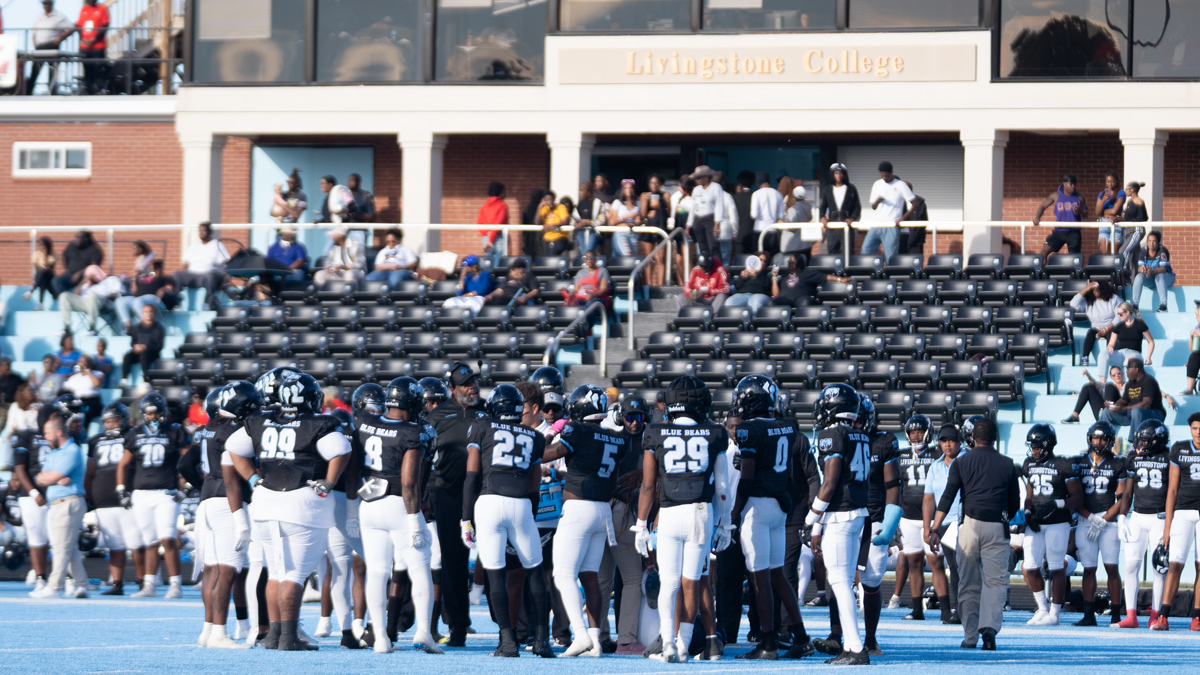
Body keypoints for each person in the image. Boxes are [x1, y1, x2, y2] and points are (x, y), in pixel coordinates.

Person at [227, 371, 351, 650]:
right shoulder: (319, 424)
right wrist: (329, 482)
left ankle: (274, 634)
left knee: (276, 573)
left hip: (266, 502)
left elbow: (234, 447)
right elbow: (341, 450)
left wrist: (252, 477)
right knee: (294, 575)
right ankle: (289, 636)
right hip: (303, 505)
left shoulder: (261, 420)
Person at [635, 376, 732, 663]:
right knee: (692, 583)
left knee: (669, 584)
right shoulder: (715, 433)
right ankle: (683, 646)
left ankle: (667, 644)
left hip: (669, 514)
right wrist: (725, 523)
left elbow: (648, 486)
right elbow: (723, 489)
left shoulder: (656, 433)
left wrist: (641, 525)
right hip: (700, 515)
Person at [460, 385, 555, 658]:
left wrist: (466, 518)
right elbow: (535, 484)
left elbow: (471, 476)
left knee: (495, 572)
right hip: (521, 503)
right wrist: (530, 516)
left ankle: (507, 642)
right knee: (535, 570)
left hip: (489, 502)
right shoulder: (535, 437)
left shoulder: (482, 427)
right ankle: (542, 641)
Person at [539, 385, 629, 657]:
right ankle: (595, 639)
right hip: (602, 511)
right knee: (589, 576)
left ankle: (580, 635)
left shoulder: (577, 431)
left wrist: (552, 432)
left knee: (563, 574)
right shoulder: (616, 438)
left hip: (578, 509)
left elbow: (546, 454)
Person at [355, 378, 442, 654]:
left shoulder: (363, 422)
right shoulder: (412, 431)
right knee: (420, 567)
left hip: (368, 504)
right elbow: (408, 483)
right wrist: (415, 520)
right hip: (397, 505)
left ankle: (380, 637)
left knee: (378, 572)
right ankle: (424, 633)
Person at [728, 375, 813, 659]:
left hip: (757, 507)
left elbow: (748, 479)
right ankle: (801, 637)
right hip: (779, 506)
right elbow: (787, 474)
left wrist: (735, 513)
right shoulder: (787, 427)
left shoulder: (749, 429)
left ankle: (767, 642)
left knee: (759, 578)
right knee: (778, 575)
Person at [929, 417, 1020, 651]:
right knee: (995, 583)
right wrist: (1001, 520)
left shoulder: (961, 462)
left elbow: (948, 497)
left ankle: (970, 636)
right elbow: (1014, 504)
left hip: (968, 526)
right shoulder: (1008, 464)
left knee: (968, 584)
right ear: (995, 438)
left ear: (971, 438)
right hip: (996, 526)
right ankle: (989, 629)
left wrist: (934, 529)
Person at [186, 383, 259, 648]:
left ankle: (208, 630)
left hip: (207, 499)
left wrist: (205, 485)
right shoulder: (236, 431)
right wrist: (239, 515)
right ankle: (219, 632)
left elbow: (185, 464)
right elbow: (232, 477)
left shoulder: (206, 428)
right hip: (229, 501)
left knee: (212, 570)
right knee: (227, 570)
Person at [804, 384, 872, 665]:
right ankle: (852, 645)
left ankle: (855, 648)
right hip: (857, 512)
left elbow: (830, 482)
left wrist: (811, 519)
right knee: (842, 581)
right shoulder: (861, 434)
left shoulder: (832, 434)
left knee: (840, 582)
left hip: (841, 514)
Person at [426, 362, 482, 647]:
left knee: (502, 562)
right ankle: (458, 626)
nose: (473, 387)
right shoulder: (436, 417)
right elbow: (424, 458)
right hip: (448, 497)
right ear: (452, 389)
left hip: (486, 496)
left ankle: (515, 628)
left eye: (475, 382)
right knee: (454, 564)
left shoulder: (488, 412)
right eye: (466, 384)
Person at [118, 392, 190, 599]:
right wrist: (121, 489)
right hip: (141, 494)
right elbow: (124, 464)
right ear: (143, 414)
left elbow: (188, 459)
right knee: (149, 541)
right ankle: (149, 584)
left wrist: (186, 486)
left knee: (167, 539)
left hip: (166, 493)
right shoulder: (135, 433)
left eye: (157, 413)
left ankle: (175, 584)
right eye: (150, 413)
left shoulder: (174, 431)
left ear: (164, 413)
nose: (154, 417)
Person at [1018, 424, 1084, 626]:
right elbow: (1029, 494)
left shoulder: (1064, 465)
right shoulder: (1029, 464)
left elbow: (1078, 498)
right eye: (1032, 447)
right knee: (1029, 566)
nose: (1033, 451)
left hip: (1057, 523)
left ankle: (1055, 613)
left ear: (1047, 445)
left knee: (1056, 567)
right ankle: (1042, 608)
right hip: (1036, 523)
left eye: (1037, 447)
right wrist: (1028, 512)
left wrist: (1058, 503)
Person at [1069, 421, 1127, 627]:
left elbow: (1122, 498)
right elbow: (1073, 496)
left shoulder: (1118, 463)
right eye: (1095, 437)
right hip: (1086, 519)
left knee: (1112, 567)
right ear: (1089, 438)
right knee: (1089, 568)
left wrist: (1102, 519)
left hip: (1108, 520)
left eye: (1103, 438)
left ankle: (1116, 615)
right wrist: (1090, 517)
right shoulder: (1078, 462)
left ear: (1110, 440)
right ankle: (1088, 614)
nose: (1099, 441)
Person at [1115, 419, 1171, 628]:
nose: (1141, 445)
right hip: (1137, 516)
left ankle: (1155, 615)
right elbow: (1128, 491)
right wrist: (1122, 517)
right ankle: (1131, 616)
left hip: (1160, 517)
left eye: (1146, 441)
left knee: (1159, 569)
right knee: (1130, 565)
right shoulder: (1133, 457)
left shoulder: (1168, 457)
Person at [86, 403, 145, 597]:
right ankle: (117, 583)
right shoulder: (95, 441)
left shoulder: (133, 435)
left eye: (114, 420)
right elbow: (90, 472)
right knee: (114, 545)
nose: (111, 425)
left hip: (127, 497)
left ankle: (143, 582)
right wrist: (89, 497)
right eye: (108, 421)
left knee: (136, 542)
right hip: (103, 498)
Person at [27, 415, 88, 599]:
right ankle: (82, 584)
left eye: (47, 433)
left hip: (68, 502)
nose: (45, 437)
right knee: (69, 547)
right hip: (56, 504)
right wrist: (52, 478)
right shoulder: (54, 452)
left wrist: (51, 478)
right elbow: (40, 477)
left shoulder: (72, 450)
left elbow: (48, 477)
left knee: (61, 547)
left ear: (58, 432)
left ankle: (55, 587)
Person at [896, 415, 951, 622]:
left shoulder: (938, 454)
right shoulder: (900, 455)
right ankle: (917, 609)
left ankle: (945, 610)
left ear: (928, 433)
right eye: (912, 432)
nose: (916, 435)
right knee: (914, 563)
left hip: (932, 518)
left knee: (936, 563)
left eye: (919, 431)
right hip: (908, 517)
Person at [1157, 413, 1200, 630]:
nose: (1199, 432)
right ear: (1190, 430)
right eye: (1195, 428)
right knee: (1175, 564)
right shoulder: (1180, 448)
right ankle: (1163, 616)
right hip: (1183, 511)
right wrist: (1167, 526)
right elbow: (1172, 489)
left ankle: (1197, 616)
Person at [922, 423, 968, 624]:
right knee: (943, 566)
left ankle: (960, 610)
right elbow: (929, 498)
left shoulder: (968, 459)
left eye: (951, 440)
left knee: (958, 568)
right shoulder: (935, 465)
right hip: (942, 522)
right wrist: (927, 526)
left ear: (960, 441)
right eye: (943, 440)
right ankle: (946, 611)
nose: (947, 445)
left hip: (961, 522)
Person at [13, 406, 56, 592]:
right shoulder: (25, 435)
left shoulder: (58, 434)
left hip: (55, 493)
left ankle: (66, 577)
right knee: (37, 538)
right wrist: (33, 492)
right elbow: (20, 469)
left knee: (59, 538)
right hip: (31, 495)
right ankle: (40, 577)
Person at [1101, 356, 1172, 441]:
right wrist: (1114, 405)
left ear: (1136, 369)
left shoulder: (1149, 381)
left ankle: (1135, 443)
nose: (1126, 372)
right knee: (1106, 412)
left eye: (1128, 369)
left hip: (1154, 414)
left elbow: (1146, 404)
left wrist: (1124, 408)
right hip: (1135, 415)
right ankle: (1103, 440)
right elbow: (1124, 400)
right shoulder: (1130, 383)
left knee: (1136, 410)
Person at [862, 162, 922, 260]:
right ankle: (867, 273)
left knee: (891, 255)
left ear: (891, 173)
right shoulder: (877, 184)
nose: (884, 178)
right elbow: (873, 206)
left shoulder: (900, 185)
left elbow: (915, 204)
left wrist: (902, 218)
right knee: (866, 249)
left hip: (891, 225)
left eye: (886, 175)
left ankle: (890, 273)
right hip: (876, 225)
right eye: (882, 175)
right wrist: (877, 201)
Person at [175, 222, 230, 310]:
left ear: (210, 232)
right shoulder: (194, 246)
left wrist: (224, 279)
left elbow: (226, 264)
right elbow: (185, 263)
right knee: (177, 275)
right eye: (200, 231)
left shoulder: (217, 244)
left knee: (210, 275)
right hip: (194, 276)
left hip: (209, 276)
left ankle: (207, 304)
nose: (201, 233)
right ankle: (176, 303)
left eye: (204, 231)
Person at [1033, 174, 1089, 261]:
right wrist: (1037, 217)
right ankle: (1041, 273)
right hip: (1059, 232)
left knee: (1075, 259)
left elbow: (1086, 214)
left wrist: (1080, 211)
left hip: (1074, 233)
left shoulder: (1080, 197)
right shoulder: (1056, 195)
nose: (1073, 186)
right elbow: (1042, 207)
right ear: (1064, 184)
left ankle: (1075, 274)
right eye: (1071, 184)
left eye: (1074, 184)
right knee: (1043, 251)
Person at [25, 0, 75, 95]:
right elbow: (34, 31)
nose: (45, 5)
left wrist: (60, 38)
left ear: (52, 3)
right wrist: (35, 42)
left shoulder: (59, 16)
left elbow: (71, 28)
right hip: (40, 47)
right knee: (35, 71)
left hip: (52, 46)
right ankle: (27, 92)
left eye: (47, 3)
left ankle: (52, 92)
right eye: (44, 3)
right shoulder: (39, 16)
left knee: (52, 71)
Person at [1070, 280, 1119, 372]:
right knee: (1090, 333)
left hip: (1111, 328)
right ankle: (1084, 358)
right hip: (1096, 329)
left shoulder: (1114, 299)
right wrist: (1086, 289)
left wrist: (1106, 329)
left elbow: (1119, 317)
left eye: (1097, 289)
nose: (1095, 291)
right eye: (1093, 289)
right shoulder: (1088, 301)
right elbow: (1073, 304)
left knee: (1111, 334)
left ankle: (1109, 358)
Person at [115, 259, 176, 333]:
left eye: (159, 267)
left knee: (138, 301)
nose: (157, 269)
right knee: (120, 301)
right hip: (138, 298)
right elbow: (134, 291)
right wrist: (135, 277)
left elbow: (171, 288)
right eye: (155, 267)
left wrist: (163, 289)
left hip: (155, 299)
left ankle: (146, 326)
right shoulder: (143, 277)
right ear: (151, 267)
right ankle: (129, 327)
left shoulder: (165, 278)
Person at [57, 265, 120, 335]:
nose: (91, 278)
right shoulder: (86, 285)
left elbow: (117, 294)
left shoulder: (110, 280)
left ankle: (92, 327)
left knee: (92, 294)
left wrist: (104, 296)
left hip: (102, 303)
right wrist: (84, 281)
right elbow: (75, 294)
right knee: (64, 296)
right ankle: (67, 328)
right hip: (86, 303)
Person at [771, 254, 851, 308]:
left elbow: (825, 276)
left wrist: (839, 279)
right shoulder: (784, 276)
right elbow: (776, 295)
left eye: (792, 263)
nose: (789, 264)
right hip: (785, 299)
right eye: (789, 262)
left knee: (805, 302)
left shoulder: (807, 273)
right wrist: (774, 278)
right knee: (774, 302)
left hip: (801, 298)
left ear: (798, 264)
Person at [819, 164, 861, 256]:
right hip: (832, 227)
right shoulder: (827, 189)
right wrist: (822, 217)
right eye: (836, 173)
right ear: (832, 175)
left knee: (848, 253)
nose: (838, 175)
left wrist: (852, 218)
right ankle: (834, 270)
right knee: (832, 252)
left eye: (841, 173)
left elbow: (857, 207)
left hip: (846, 226)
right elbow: (823, 206)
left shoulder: (851, 189)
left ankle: (847, 270)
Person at [687, 166, 725, 261]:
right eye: (696, 178)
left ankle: (718, 270)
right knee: (702, 248)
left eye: (699, 178)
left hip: (710, 219)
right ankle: (706, 270)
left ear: (707, 177)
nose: (697, 180)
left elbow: (719, 205)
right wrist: (688, 225)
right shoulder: (696, 190)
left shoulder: (716, 187)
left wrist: (717, 223)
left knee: (713, 247)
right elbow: (693, 208)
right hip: (698, 219)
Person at [121, 304, 165, 386]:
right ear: (142, 313)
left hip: (152, 354)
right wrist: (135, 347)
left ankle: (146, 379)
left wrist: (147, 347)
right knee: (127, 356)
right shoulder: (137, 327)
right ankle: (124, 379)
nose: (148, 314)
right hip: (138, 352)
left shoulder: (159, 328)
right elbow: (133, 341)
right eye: (146, 312)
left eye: (151, 311)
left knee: (144, 355)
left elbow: (160, 346)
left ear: (154, 313)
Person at [50, 230, 104, 296]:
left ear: (86, 238)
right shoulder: (72, 245)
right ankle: (65, 299)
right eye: (76, 237)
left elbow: (94, 266)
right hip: (70, 275)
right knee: (55, 281)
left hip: (86, 277)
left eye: (79, 237)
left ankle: (72, 300)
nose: (76, 239)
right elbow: (65, 256)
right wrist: (67, 269)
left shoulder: (95, 249)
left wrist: (80, 273)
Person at [1131, 231, 1174, 312]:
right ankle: (1135, 305)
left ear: (1158, 243)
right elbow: (1139, 269)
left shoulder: (1163, 251)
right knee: (1139, 276)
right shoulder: (1143, 251)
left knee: (1159, 276)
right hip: (1151, 279)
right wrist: (1142, 269)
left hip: (1167, 277)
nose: (1151, 243)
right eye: (1149, 241)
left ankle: (1163, 305)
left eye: (1154, 241)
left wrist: (1151, 271)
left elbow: (1163, 269)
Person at [638, 175, 668, 285]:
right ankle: (649, 285)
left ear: (660, 185)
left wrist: (661, 207)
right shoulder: (644, 195)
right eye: (651, 183)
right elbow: (642, 216)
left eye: (656, 183)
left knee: (660, 257)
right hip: (649, 227)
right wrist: (645, 203)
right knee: (648, 258)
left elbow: (669, 213)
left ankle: (661, 285)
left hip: (660, 227)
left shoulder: (665, 195)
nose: (654, 185)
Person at [76, 0, 109, 94]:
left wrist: (95, 39)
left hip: (98, 48)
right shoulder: (84, 9)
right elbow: (79, 25)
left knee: (98, 71)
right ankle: (89, 90)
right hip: (85, 48)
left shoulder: (102, 9)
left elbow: (105, 25)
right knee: (88, 71)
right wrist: (83, 38)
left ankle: (98, 90)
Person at [62, 354, 103, 430]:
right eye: (81, 361)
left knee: (85, 412)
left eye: (86, 361)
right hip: (77, 401)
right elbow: (65, 390)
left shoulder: (98, 374)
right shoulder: (74, 377)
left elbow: (97, 384)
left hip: (93, 402)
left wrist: (88, 371)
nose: (83, 363)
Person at [1107, 302, 1154, 367]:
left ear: (1128, 312)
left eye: (1121, 314)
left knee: (1129, 361)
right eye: (1118, 314)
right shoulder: (1118, 327)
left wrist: (1148, 357)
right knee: (1104, 355)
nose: (1119, 316)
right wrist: (1110, 347)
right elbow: (1111, 344)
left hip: (1134, 353)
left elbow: (1151, 341)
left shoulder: (1140, 325)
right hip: (1121, 353)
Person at [750, 172, 785, 258]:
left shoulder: (756, 194)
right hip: (773, 230)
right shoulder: (778, 194)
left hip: (759, 229)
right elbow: (781, 215)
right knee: (772, 258)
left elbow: (753, 214)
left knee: (759, 259)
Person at [1119, 181, 1148, 278]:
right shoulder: (1130, 202)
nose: (1125, 191)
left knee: (1123, 251)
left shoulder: (1138, 201)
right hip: (1129, 230)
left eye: (1126, 189)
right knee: (1133, 256)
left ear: (1132, 190)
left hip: (1136, 230)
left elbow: (1143, 217)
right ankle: (1132, 279)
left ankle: (1123, 272)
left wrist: (1127, 218)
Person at [477, 181, 508, 266]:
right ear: (500, 192)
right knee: (498, 264)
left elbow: (479, 223)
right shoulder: (502, 206)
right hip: (498, 237)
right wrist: (491, 239)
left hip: (487, 237)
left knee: (488, 264)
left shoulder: (484, 206)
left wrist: (487, 235)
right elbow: (498, 223)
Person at [1095, 171, 1126, 254]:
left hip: (1115, 222)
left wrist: (1104, 211)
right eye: (1108, 182)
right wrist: (1103, 201)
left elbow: (1114, 211)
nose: (1110, 184)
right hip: (1104, 223)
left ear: (1117, 182)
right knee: (1105, 252)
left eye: (1112, 181)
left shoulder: (1121, 193)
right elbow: (1097, 212)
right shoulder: (1102, 194)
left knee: (1114, 252)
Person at [609, 180, 641, 257]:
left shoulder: (638, 203)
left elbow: (639, 220)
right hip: (621, 233)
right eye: (626, 188)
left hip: (633, 233)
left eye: (631, 188)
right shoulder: (617, 203)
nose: (629, 190)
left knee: (633, 258)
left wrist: (637, 220)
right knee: (627, 254)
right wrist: (627, 216)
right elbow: (611, 222)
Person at [537, 191, 574, 256]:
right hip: (547, 238)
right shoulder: (544, 209)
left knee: (554, 254)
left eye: (551, 199)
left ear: (554, 199)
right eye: (547, 200)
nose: (550, 201)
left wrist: (550, 225)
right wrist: (539, 208)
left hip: (560, 237)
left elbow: (565, 221)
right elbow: (537, 222)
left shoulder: (561, 207)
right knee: (546, 257)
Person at [25, 236, 56, 309]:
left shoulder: (53, 255)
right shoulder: (36, 254)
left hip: (50, 276)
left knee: (44, 273)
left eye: (44, 246)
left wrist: (45, 255)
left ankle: (30, 292)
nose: (42, 247)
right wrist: (43, 267)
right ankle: (40, 304)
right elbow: (37, 267)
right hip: (40, 276)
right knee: (42, 277)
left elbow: (50, 267)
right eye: (41, 245)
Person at [898, 180, 929, 255]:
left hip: (915, 240)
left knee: (914, 262)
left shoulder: (919, 203)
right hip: (900, 238)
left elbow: (923, 220)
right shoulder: (897, 202)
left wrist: (915, 237)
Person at [574, 182, 604, 256]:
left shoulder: (598, 203)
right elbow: (573, 218)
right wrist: (576, 224)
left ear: (589, 192)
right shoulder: (579, 203)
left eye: (582, 190)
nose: (580, 193)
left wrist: (589, 222)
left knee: (588, 252)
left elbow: (602, 219)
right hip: (581, 231)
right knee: (583, 252)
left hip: (593, 231)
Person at [782, 185, 813, 254]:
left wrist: (781, 224)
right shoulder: (808, 206)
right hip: (805, 244)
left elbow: (791, 228)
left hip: (794, 245)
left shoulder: (792, 209)